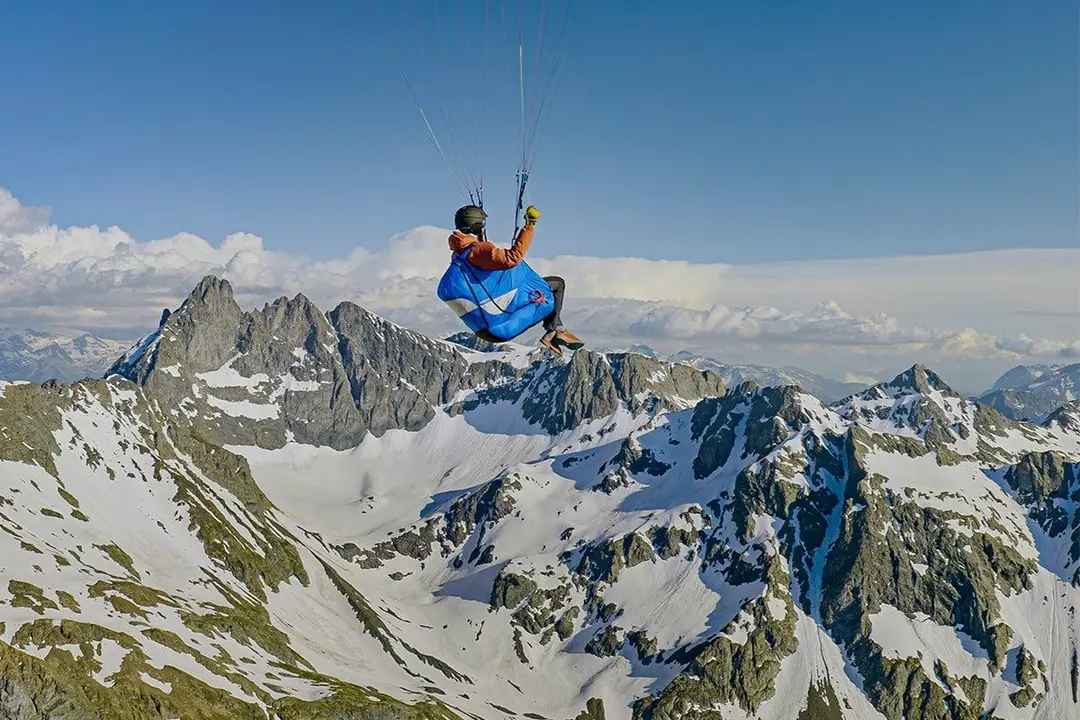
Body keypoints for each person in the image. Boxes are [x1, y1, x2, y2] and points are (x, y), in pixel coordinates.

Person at [440, 203, 583, 354]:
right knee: (557, 284)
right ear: (476, 225)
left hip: (485, 327)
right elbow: (512, 258)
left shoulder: (460, 252)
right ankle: (555, 331)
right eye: (482, 223)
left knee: (549, 286)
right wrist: (529, 225)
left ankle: (555, 331)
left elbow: (484, 260)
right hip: (501, 324)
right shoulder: (476, 250)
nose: (483, 225)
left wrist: (481, 238)